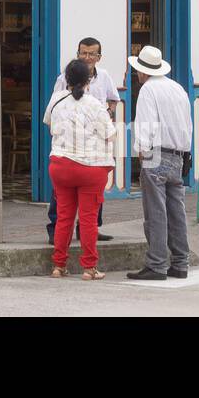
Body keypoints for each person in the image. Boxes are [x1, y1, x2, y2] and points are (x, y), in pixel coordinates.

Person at [43, 58, 116, 280]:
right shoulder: (94, 104)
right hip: (90, 168)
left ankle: (59, 266)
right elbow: (110, 134)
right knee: (88, 219)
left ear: (66, 79)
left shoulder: (56, 100)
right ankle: (89, 268)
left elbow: (49, 124)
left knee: (64, 216)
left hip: (61, 165)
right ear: (89, 80)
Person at [126, 45, 194, 281]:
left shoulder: (148, 90)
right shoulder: (178, 89)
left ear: (142, 72)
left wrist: (141, 151)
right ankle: (181, 263)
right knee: (177, 212)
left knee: (155, 212)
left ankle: (156, 264)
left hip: (156, 154)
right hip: (179, 154)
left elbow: (145, 123)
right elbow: (187, 125)